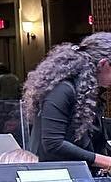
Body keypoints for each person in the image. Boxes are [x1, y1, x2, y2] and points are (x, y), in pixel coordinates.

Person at [23, 32, 111, 172]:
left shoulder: (85, 90)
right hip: (55, 176)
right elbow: (53, 143)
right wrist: (105, 161)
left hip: (72, 173)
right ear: (104, 64)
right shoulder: (62, 89)